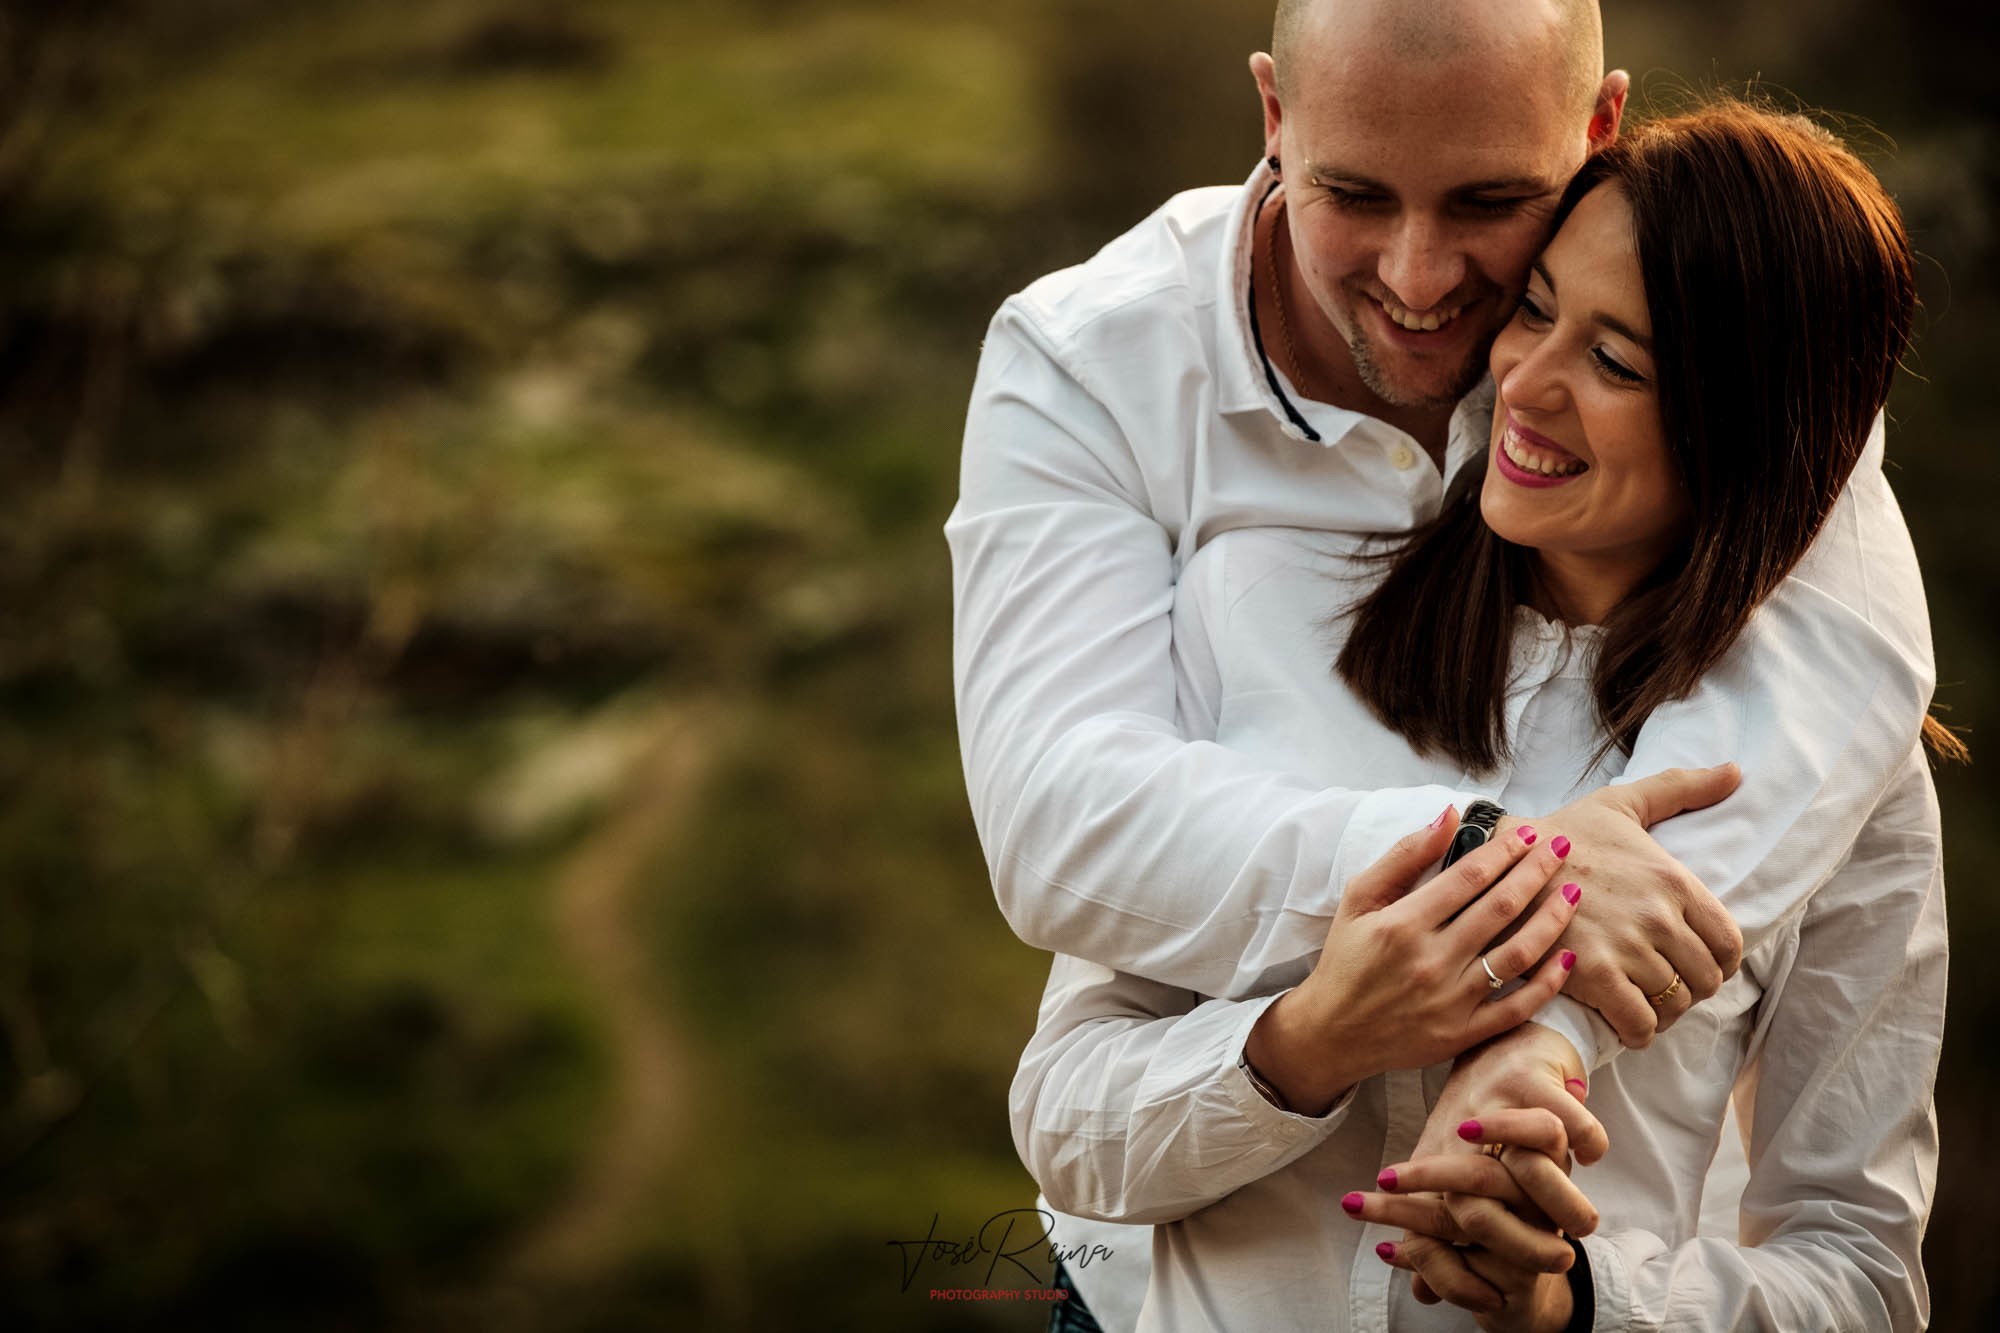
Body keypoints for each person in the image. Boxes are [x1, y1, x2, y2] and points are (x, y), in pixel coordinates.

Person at [947, 0, 1936, 1327]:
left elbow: (1862, 1262)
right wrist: (1497, 878)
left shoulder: (1757, 364)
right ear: (1272, 118)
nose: (1420, 280)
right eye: (1352, 195)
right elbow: (1066, 845)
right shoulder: (1140, 436)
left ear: (1597, 134)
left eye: (1488, 207)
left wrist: (1573, 1254)